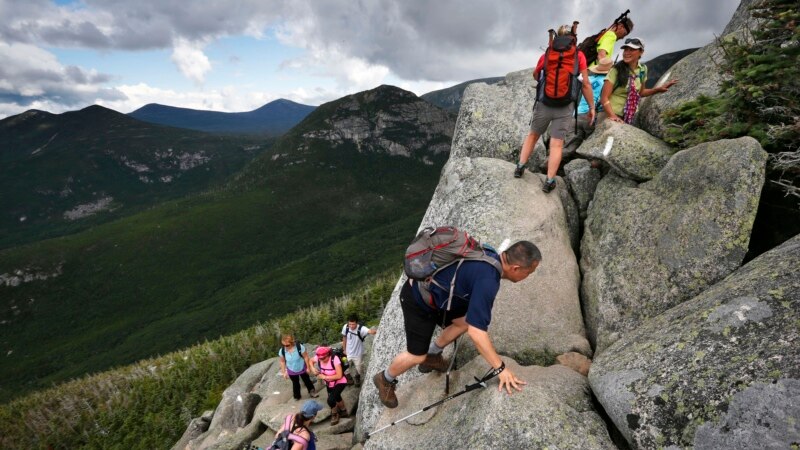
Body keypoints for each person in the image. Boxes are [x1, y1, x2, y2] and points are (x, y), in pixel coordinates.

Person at [372, 240, 542, 409]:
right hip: (418, 299)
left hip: (436, 293)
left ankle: (433, 355)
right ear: (516, 268)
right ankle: (385, 379)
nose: (528, 277)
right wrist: (501, 369)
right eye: (529, 272)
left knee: (465, 321)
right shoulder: (488, 280)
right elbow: (477, 333)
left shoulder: (489, 254)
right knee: (417, 355)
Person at [513, 25, 596, 193]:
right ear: (573, 38)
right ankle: (549, 181)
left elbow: (536, 75)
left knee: (533, 135)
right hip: (565, 106)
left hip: (545, 103)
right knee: (556, 144)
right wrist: (592, 107)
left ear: (557, 37)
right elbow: (586, 84)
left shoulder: (548, 53)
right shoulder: (578, 55)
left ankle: (520, 167)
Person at [598, 37, 678, 125]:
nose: (627, 53)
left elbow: (641, 92)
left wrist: (658, 89)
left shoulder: (643, 69)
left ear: (641, 52)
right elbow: (604, 97)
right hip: (609, 114)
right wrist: (612, 116)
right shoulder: (616, 70)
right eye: (625, 49)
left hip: (629, 115)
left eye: (631, 49)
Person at [565, 56, 613, 156]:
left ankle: (549, 164)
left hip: (576, 114)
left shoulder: (588, 79)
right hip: (591, 115)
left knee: (569, 147)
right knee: (589, 146)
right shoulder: (607, 82)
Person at [311, 346, 349, 425]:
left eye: (324, 358)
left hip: (340, 382)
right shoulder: (318, 358)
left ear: (328, 355)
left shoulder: (335, 359)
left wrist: (324, 377)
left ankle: (335, 414)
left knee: (330, 400)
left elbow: (339, 375)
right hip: (329, 383)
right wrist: (312, 368)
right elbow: (310, 361)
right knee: (337, 396)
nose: (322, 360)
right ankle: (343, 410)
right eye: (320, 359)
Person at [278, 334, 318, 401]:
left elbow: (306, 357)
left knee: (307, 380)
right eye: (284, 345)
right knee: (295, 383)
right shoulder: (282, 351)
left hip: (302, 366)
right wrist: (284, 372)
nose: (285, 347)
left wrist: (308, 367)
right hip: (291, 369)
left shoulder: (299, 347)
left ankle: (312, 392)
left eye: (287, 345)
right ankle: (297, 396)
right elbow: (282, 361)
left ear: (292, 343)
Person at [341, 314, 377, 386]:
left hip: (358, 354)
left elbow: (371, 331)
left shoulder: (362, 329)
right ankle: (349, 378)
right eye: (350, 324)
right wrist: (344, 349)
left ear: (356, 323)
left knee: (359, 369)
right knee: (344, 366)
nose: (351, 326)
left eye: (353, 324)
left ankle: (357, 377)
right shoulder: (346, 327)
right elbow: (344, 338)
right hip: (348, 352)